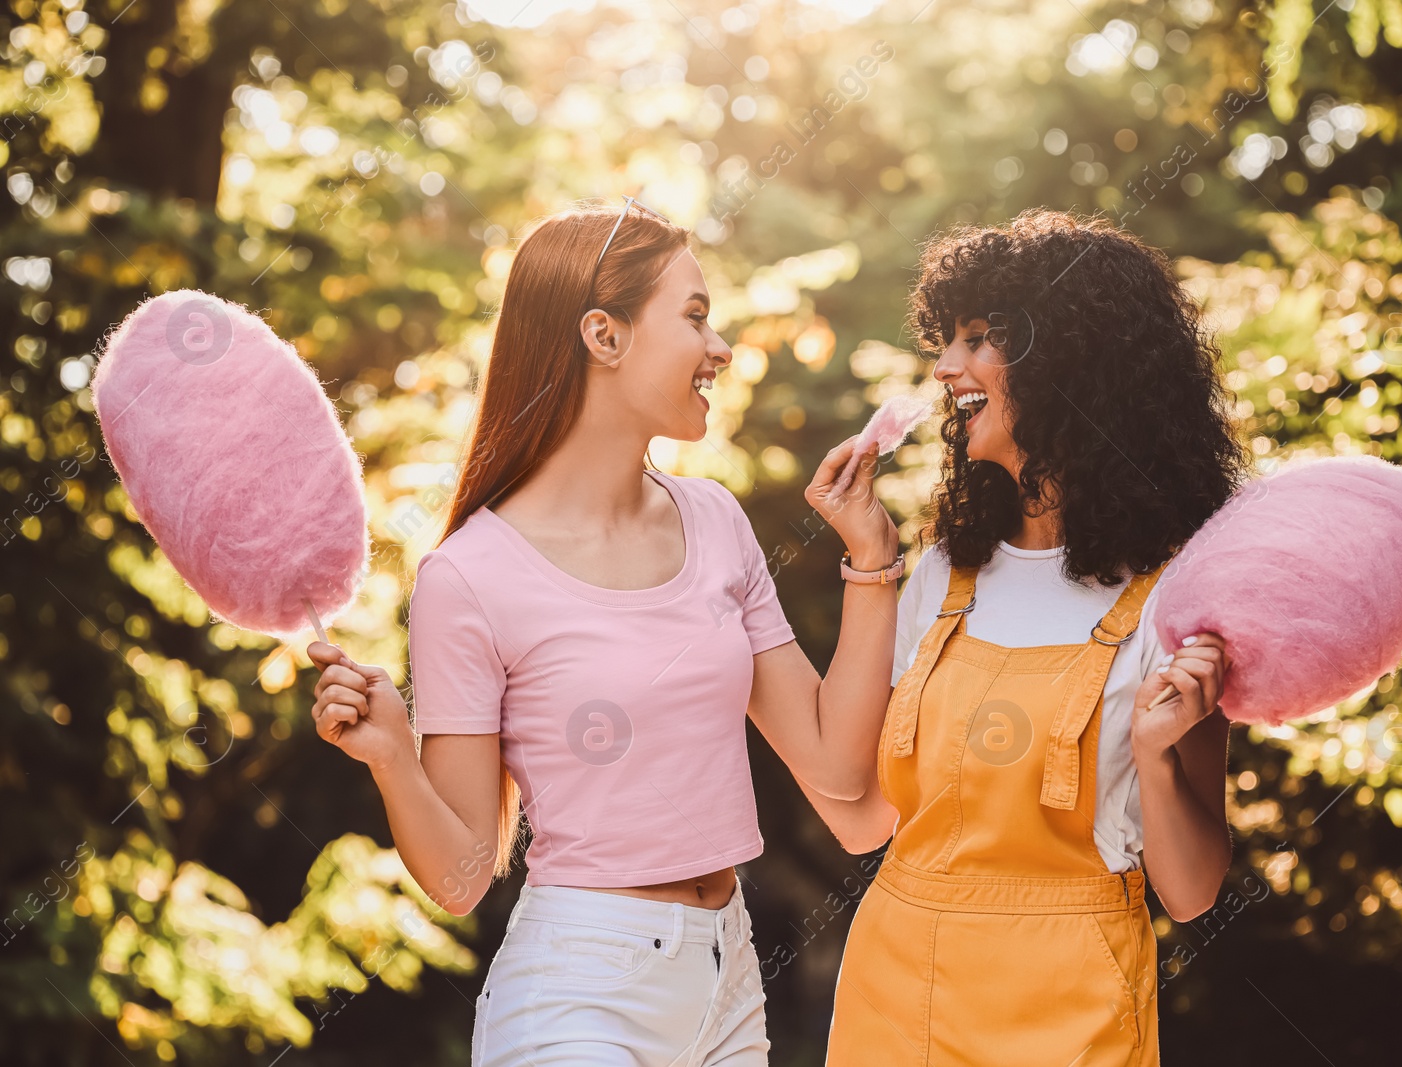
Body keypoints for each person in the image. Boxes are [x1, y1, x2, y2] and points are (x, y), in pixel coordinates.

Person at [305, 200, 901, 1067]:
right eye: (694, 317)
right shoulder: (468, 576)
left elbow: (841, 773)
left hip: (727, 985)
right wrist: (394, 754)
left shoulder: (715, 520)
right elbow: (463, 878)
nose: (721, 347)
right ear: (603, 334)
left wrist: (872, 559)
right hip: (578, 991)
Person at [800, 209, 1249, 1066]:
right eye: (946, 340)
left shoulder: (1179, 600)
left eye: (978, 339)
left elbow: (1189, 893)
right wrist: (865, 559)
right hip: (894, 996)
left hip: (1075, 1011)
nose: (945, 367)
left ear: (1073, 361)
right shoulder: (936, 577)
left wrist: (1157, 753)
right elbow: (852, 793)